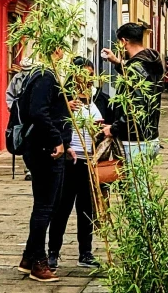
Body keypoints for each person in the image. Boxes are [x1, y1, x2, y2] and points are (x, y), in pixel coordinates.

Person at [15, 47, 72, 282]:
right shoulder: (45, 76)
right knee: (45, 206)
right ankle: (39, 261)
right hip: (45, 150)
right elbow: (38, 113)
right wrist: (57, 139)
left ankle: (29, 257)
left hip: (46, 147)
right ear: (55, 50)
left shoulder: (42, 76)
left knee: (49, 204)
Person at [48, 58, 107, 271]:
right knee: (61, 209)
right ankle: (53, 252)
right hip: (68, 161)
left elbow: (102, 128)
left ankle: (86, 252)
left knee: (86, 210)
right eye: (83, 75)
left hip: (89, 162)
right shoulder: (63, 98)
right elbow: (52, 123)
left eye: (90, 75)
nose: (87, 80)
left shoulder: (97, 100)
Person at [100, 22, 164, 160]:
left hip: (135, 141)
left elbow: (135, 109)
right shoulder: (151, 63)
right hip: (150, 137)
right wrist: (118, 63)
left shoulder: (135, 69)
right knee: (143, 182)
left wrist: (113, 129)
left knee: (134, 182)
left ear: (123, 41)